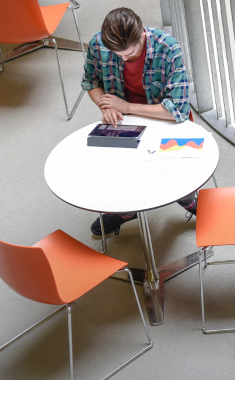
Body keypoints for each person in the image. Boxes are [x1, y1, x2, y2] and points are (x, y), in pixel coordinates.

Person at [80, 7, 195, 237]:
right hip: (125, 123)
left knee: (176, 173)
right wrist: (107, 106)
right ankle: (128, 211)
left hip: (168, 121)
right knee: (121, 172)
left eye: (129, 53)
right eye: (118, 54)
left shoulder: (168, 47)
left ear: (142, 35)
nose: (123, 58)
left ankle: (187, 200)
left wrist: (125, 107)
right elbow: (91, 81)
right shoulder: (98, 43)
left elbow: (177, 110)